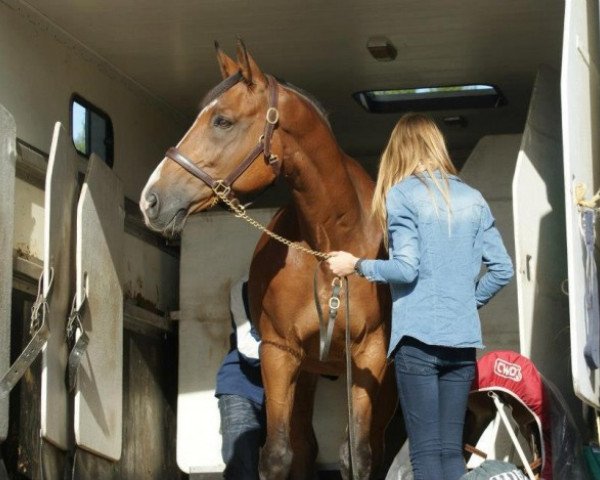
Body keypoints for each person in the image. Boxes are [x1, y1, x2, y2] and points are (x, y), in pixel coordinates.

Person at [326, 113, 513, 480]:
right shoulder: (473, 198)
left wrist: (357, 265)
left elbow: (406, 268)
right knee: (449, 451)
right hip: (461, 343)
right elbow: (503, 269)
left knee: (426, 452)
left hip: (419, 341)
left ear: (399, 151)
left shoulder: (402, 195)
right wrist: (464, 302)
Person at [215, 276, 265, 480]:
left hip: (282, 394)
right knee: (242, 470)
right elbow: (247, 348)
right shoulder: (244, 286)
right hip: (242, 389)